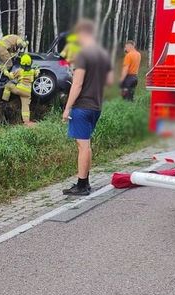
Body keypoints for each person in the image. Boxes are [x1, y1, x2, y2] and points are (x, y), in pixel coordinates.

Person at [62, 19, 114, 196]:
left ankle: (82, 185)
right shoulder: (103, 55)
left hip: (82, 106)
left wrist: (67, 108)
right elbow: (109, 81)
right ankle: (84, 181)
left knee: (83, 146)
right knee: (85, 145)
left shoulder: (83, 55)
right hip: (96, 106)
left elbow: (76, 85)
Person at [1, 53, 40, 125]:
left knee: (8, 85)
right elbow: (37, 73)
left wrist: (5, 70)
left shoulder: (19, 71)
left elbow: (11, 76)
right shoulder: (32, 71)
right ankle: (26, 121)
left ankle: (4, 101)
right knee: (25, 107)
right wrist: (37, 68)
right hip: (28, 92)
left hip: (19, 90)